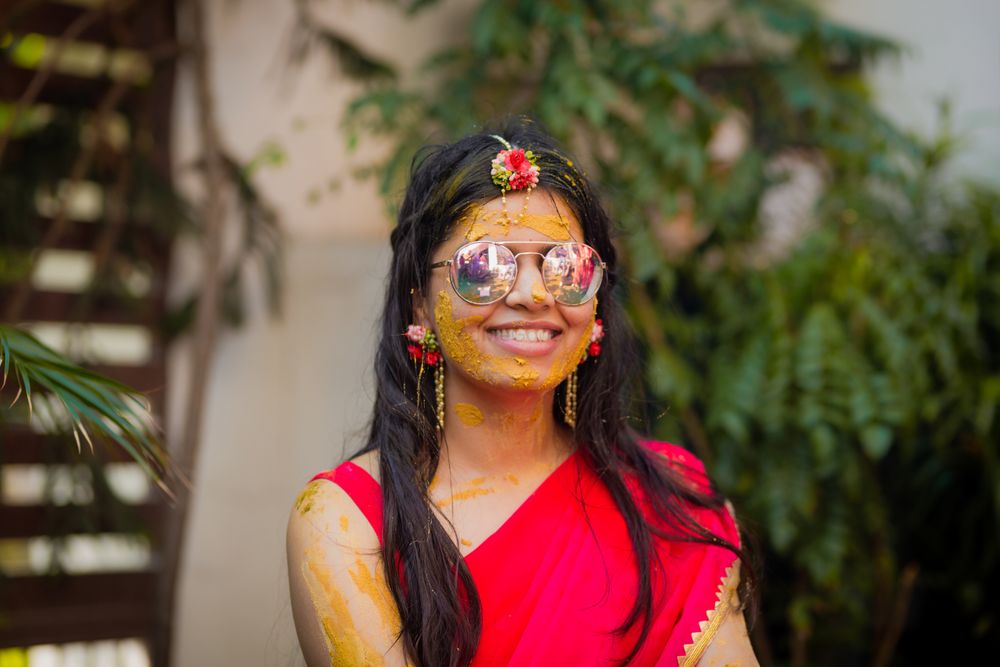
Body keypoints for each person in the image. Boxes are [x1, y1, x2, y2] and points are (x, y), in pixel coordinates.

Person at [286, 119, 759, 666]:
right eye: (485, 266)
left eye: (566, 267)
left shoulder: (672, 502)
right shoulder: (348, 524)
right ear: (419, 303)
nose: (534, 294)